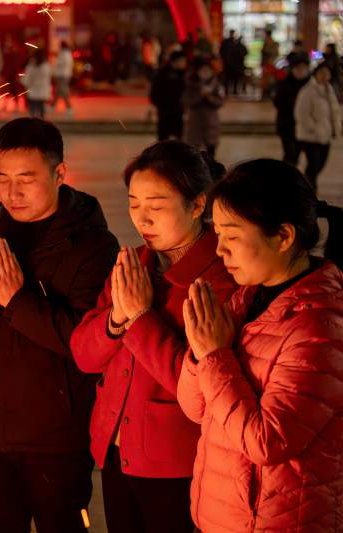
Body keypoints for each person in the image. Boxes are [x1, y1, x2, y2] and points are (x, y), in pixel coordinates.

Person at [0, 118, 119, 533]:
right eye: (2, 178)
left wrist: (16, 302)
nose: (12, 193)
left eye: (26, 179)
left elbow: (83, 343)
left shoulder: (92, 246)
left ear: (59, 173)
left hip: (56, 438)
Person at [71, 141, 235, 533]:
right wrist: (117, 318)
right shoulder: (134, 265)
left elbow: (198, 384)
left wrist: (141, 317)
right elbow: (83, 355)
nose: (142, 218)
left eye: (157, 206)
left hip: (176, 462)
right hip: (115, 449)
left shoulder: (220, 279)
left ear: (198, 206)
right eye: (133, 203)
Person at [178, 159, 343, 532]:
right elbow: (194, 408)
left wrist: (215, 356)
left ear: (283, 237)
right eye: (217, 234)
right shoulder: (245, 299)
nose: (220, 250)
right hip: (223, 515)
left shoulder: (321, 326)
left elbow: (267, 443)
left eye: (232, 236)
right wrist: (200, 351)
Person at [294, 62, 341, 191]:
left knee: (320, 164)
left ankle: (306, 185)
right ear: (316, 74)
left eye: (327, 73)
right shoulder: (308, 91)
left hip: (325, 134)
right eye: (322, 73)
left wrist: (335, 127)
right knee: (313, 164)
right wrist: (315, 128)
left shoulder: (329, 90)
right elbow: (302, 114)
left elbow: (334, 111)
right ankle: (309, 189)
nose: (325, 76)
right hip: (310, 136)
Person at [273, 56, 310, 165]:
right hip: (287, 125)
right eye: (298, 68)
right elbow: (277, 102)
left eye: (303, 67)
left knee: (297, 155)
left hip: (304, 126)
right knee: (290, 155)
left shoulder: (311, 85)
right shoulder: (285, 84)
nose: (301, 70)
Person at [184, 58, 224, 158]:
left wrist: (209, 97)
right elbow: (187, 101)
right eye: (202, 70)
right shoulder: (191, 85)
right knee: (194, 151)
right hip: (195, 122)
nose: (205, 73)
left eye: (207, 70)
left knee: (211, 150)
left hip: (211, 121)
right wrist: (199, 95)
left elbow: (220, 101)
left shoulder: (216, 85)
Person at [150, 50, 187, 141]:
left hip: (178, 113)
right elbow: (154, 94)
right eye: (183, 61)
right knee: (163, 140)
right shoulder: (162, 74)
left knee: (179, 140)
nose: (184, 63)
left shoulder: (185, 75)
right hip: (165, 113)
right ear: (175, 61)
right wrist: (163, 105)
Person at [22, 49, 52, 119]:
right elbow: (49, 79)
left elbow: (26, 80)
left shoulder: (31, 67)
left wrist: (23, 82)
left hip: (33, 92)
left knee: (33, 114)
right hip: (43, 92)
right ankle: (42, 127)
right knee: (42, 112)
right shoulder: (46, 66)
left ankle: (33, 127)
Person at [53, 41, 74, 113]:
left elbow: (61, 64)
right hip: (63, 74)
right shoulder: (66, 53)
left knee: (63, 90)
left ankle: (69, 107)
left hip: (62, 75)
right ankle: (53, 105)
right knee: (58, 91)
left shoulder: (64, 54)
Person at [260, 29, 280, 100]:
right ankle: (266, 94)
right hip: (268, 65)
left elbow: (274, 54)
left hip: (270, 65)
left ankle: (268, 94)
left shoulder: (271, 44)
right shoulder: (268, 43)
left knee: (269, 80)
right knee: (266, 81)